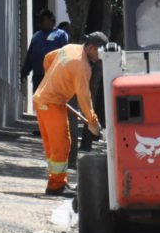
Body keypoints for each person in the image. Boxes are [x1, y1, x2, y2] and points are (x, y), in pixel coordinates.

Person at [33, 33, 107, 196]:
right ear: (90, 48)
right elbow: (83, 96)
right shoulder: (83, 67)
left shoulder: (69, 48)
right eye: (99, 53)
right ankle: (56, 186)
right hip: (51, 103)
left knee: (54, 145)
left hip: (42, 100)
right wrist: (92, 120)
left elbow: (48, 58)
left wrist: (53, 79)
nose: (100, 58)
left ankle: (58, 181)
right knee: (62, 144)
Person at [21, 9, 69, 92]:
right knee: (39, 102)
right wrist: (25, 71)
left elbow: (65, 53)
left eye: (42, 19)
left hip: (53, 76)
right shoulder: (36, 36)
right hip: (38, 77)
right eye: (39, 20)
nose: (40, 22)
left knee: (51, 102)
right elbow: (30, 55)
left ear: (51, 19)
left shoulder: (61, 34)